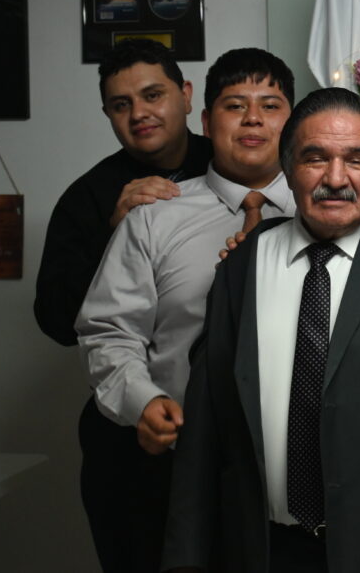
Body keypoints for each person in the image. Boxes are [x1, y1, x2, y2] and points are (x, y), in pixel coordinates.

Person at [162, 87, 360, 573]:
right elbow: (204, 430)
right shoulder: (243, 263)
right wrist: (185, 559)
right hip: (261, 549)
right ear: (288, 170)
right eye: (315, 158)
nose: (335, 178)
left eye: (357, 160)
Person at [75, 48, 296, 573]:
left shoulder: (331, 212)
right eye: (234, 105)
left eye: (270, 105)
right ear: (206, 121)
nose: (253, 119)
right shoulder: (153, 217)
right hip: (181, 463)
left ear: (294, 122)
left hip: (300, 470)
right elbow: (109, 330)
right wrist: (142, 401)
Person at [35, 38, 212, 348]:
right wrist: (113, 236)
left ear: (185, 96)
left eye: (152, 96)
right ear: (108, 114)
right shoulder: (84, 198)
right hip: (135, 370)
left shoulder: (228, 165)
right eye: (121, 105)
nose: (138, 113)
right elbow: (56, 323)